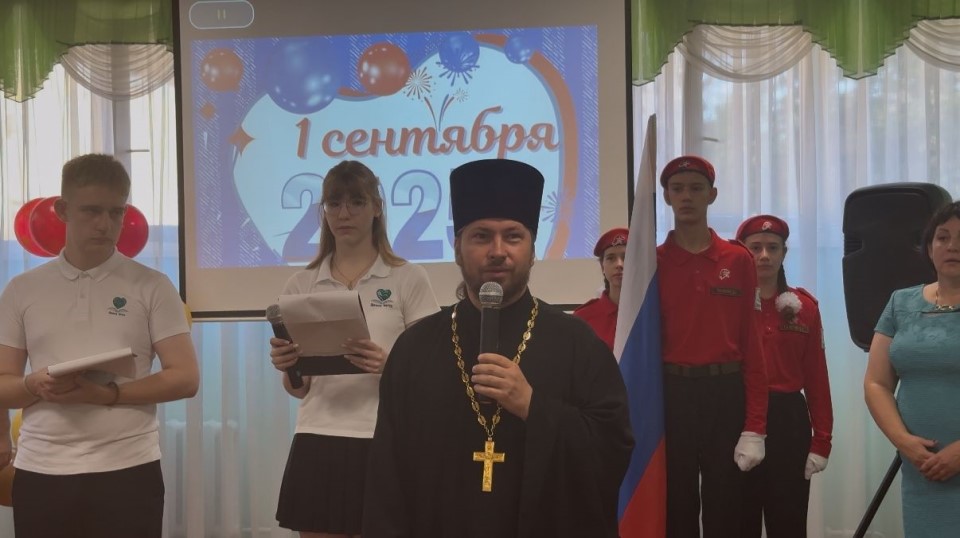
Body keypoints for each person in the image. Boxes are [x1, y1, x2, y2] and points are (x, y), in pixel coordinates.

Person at [362, 159, 634, 538]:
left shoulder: (578, 342)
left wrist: (533, 406)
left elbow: (613, 447)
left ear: (532, 250)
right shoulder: (415, 348)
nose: (497, 250)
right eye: (481, 236)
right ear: (457, 248)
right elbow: (386, 477)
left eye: (513, 236)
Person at [0, 153, 199, 537]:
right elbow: (2, 383)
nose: (105, 224)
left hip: (128, 468)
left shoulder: (153, 285)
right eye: (91, 211)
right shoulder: (21, 289)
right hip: (42, 469)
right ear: (63, 210)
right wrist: (32, 384)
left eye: (116, 212)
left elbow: (186, 377)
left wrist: (107, 394)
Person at [268, 160, 439, 538]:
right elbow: (299, 389)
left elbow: (432, 369)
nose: (344, 214)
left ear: (376, 207)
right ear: (324, 211)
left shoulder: (407, 277)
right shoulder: (301, 283)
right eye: (334, 203)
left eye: (356, 202)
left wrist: (389, 364)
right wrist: (289, 366)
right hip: (318, 434)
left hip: (384, 437)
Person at [656, 155, 768, 537]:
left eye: (696, 188)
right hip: (672, 394)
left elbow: (753, 344)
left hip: (725, 393)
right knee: (677, 503)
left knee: (726, 502)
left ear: (712, 195)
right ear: (666, 197)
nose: (686, 196)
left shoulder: (738, 259)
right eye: (677, 189)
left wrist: (755, 427)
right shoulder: (652, 262)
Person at [864, 201, 960, 537]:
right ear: (929, 247)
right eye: (943, 237)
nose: (953, 246)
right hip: (922, 469)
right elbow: (876, 383)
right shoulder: (900, 302)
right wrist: (903, 441)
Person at [736, 215, 833, 537]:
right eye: (755, 248)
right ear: (743, 252)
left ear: (784, 253)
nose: (764, 255)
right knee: (739, 518)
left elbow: (817, 377)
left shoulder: (804, 307)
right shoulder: (729, 305)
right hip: (738, 416)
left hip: (788, 421)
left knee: (788, 520)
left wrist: (822, 439)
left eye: (772, 248)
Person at [574, 227, 628, 350]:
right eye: (611, 258)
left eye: (626, 257)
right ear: (602, 266)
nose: (619, 264)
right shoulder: (583, 318)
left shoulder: (649, 313)